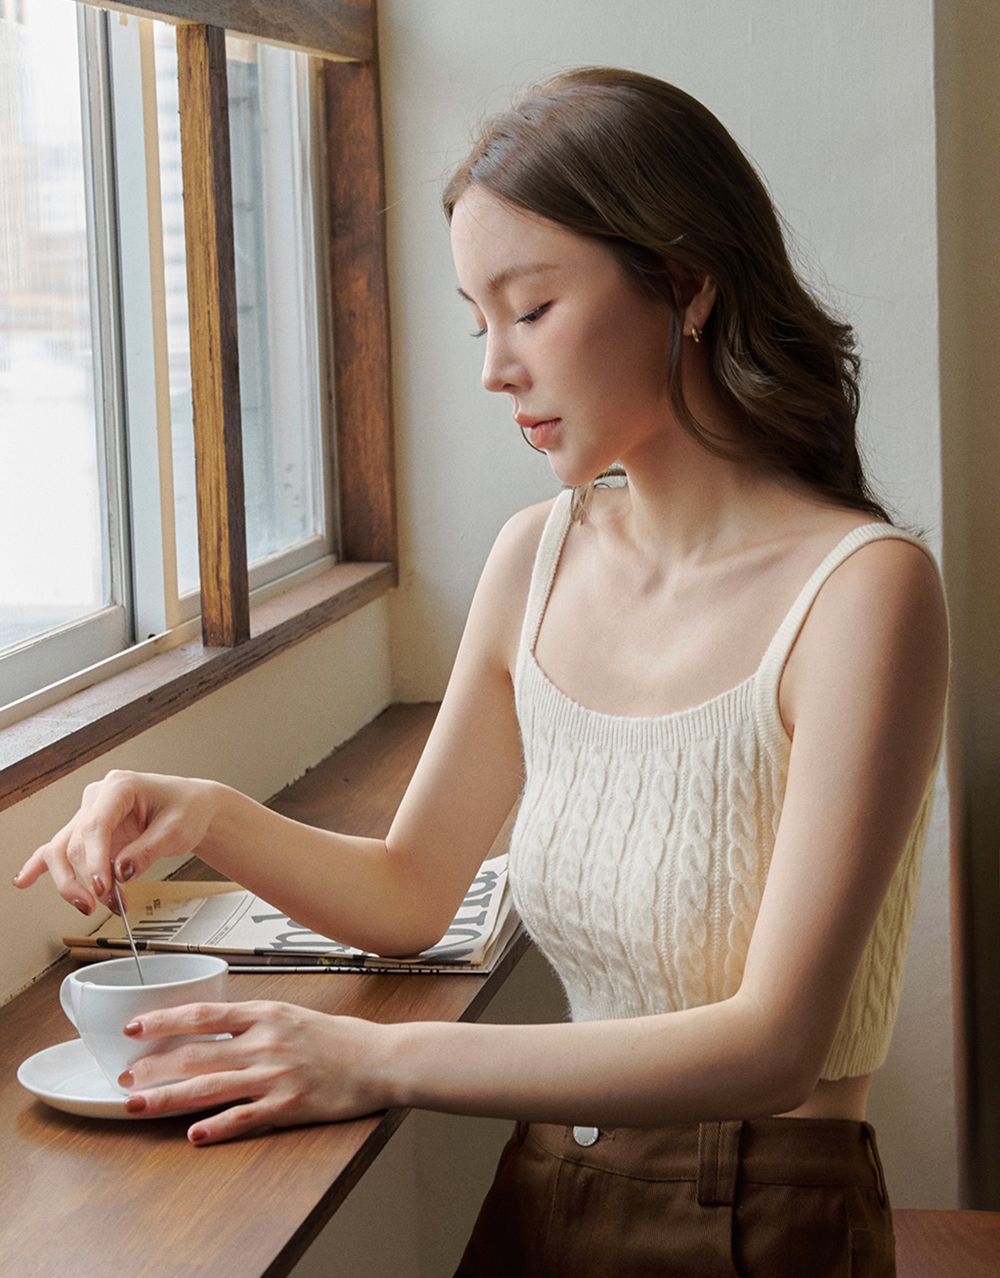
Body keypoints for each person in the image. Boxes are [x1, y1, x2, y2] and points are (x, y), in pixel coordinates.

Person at [15, 68, 947, 1277]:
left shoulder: (864, 593)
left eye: (531, 308)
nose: (494, 368)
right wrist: (205, 810)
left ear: (689, 283)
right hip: (545, 1181)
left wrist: (372, 1058)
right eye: (476, 318)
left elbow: (774, 1044)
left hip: (755, 1215)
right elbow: (411, 892)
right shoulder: (534, 559)